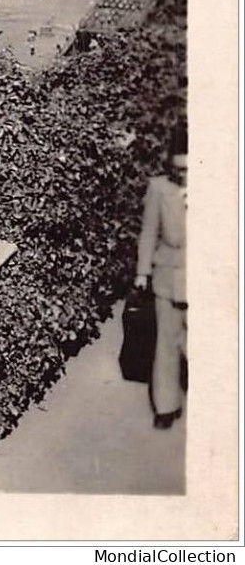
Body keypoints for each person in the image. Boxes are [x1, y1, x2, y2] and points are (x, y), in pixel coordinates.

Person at [135, 142, 188, 429]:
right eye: (179, 170)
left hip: (206, 276)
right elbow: (148, 233)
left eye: (192, 169)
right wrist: (142, 273)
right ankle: (166, 406)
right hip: (168, 275)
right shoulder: (158, 188)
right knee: (167, 341)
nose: (186, 176)